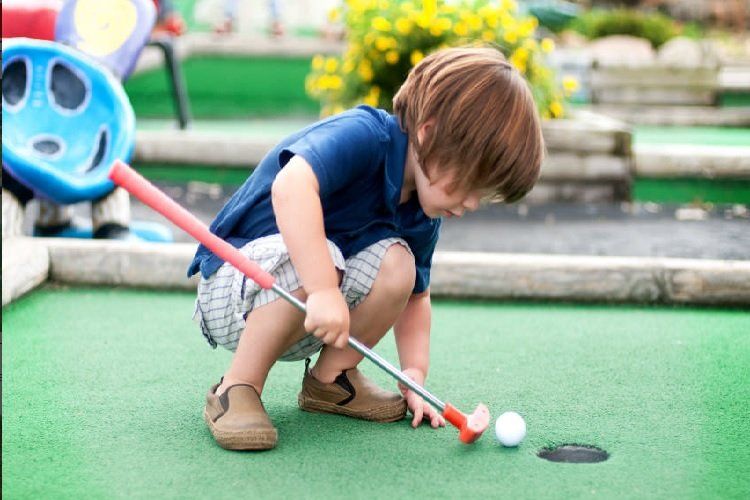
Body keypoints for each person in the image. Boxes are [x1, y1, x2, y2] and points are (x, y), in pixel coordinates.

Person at [189, 46, 545, 450]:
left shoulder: (423, 214)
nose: (472, 203)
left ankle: (331, 381)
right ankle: (237, 387)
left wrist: (414, 374)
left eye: (484, 193)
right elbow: (290, 187)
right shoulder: (363, 135)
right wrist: (323, 289)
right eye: (470, 183)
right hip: (232, 289)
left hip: (310, 313)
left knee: (399, 264)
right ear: (428, 133)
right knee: (325, 258)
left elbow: (416, 298)